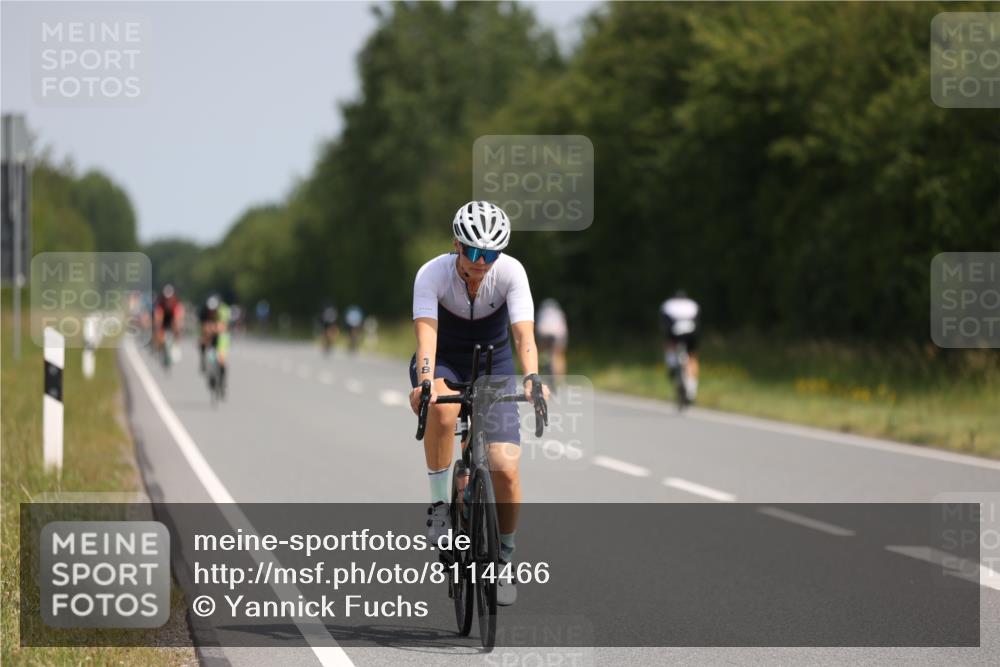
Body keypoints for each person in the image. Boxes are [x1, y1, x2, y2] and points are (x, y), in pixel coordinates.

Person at [408, 201, 545, 606]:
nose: (482, 262)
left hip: (493, 360)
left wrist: (533, 377)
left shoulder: (511, 273)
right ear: (457, 245)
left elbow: (524, 336)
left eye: (491, 254)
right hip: (445, 357)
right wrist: (426, 381)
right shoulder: (431, 274)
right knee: (443, 408)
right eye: (474, 253)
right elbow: (426, 335)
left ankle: (503, 560)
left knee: (504, 463)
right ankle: (438, 507)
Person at [660, 290, 700, 402]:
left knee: (669, 344)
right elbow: (697, 321)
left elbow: (663, 323)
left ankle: (672, 365)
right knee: (692, 358)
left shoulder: (668, 305)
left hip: (674, 332)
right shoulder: (692, 304)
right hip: (691, 333)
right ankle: (692, 391)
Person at [535, 298, 568, 378]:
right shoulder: (559, 313)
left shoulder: (542, 313)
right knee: (559, 355)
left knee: (541, 352)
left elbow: (539, 328)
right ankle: (560, 379)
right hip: (558, 336)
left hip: (544, 335)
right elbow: (564, 330)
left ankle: (541, 367)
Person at [153, 285, 182, 356]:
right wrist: (158, 326)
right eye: (166, 298)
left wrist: (177, 324)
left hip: (172, 318)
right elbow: (158, 316)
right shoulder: (160, 304)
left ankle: (176, 345)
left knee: (177, 326)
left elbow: (178, 316)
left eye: (170, 298)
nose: (168, 300)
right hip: (163, 319)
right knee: (158, 330)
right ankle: (158, 348)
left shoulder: (176, 303)